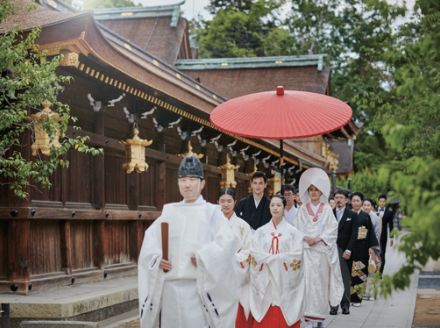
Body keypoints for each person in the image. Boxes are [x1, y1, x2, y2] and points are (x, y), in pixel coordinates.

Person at [138, 155, 240, 328]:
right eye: (183, 180)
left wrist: (204, 256)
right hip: (169, 290)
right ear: (178, 183)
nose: (187, 184)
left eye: (193, 179)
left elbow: (228, 243)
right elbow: (150, 244)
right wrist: (157, 260)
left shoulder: (212, 213)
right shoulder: (169, 212)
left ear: (202, 183)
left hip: (197, 291)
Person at [292, 168, 344, 328]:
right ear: (308, 191)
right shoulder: (301, 209)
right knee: (306, 284)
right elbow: (296, 229)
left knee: (320, 285)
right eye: (311, 190)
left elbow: (332, 229)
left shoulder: (328, 210)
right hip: (306, 252)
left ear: (321, 192)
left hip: (321, 253)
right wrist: (306, 237)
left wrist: (319, 238)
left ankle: (319, 318)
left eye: (316, 190)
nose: (314, 193)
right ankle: (307, 320)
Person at [249, 194, 305, 328]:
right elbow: (254, 254)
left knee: (283, 305)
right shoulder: (260, 232)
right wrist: (273, 260)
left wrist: (274, 260)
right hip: (266, 278)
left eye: (279, 205)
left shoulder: (294, 232)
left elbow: (297, 256)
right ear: (269, 207)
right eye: (272, 205)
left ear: (284, 207)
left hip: (284, 278)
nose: (275, 208)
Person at [218, 188, 253, 328]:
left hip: (235, 272)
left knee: (233, 313)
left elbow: (248, 251)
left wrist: (232, 260)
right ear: (217, 202)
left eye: (229, 201)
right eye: (222, 201)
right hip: (216, 272)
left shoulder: (243, 226)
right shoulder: (212, 224)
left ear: (235, 202)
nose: (225, 204)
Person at [349, 192, 380, 306]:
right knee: (349, 273)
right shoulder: (348, 214)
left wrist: (372, 247)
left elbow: (371, 232)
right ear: (350, 202)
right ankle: (349, 296)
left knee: (360, 272)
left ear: (361, 202)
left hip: (362, 247)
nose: (355, 203)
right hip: (349, 248)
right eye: (353, 200)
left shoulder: (365, 216)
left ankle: (357, 298)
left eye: (358, 200)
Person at [330, 189, 357, 316]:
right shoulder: (329, 213)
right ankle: (333, 305)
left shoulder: (352, 215)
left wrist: (349, 249)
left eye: (341, 197)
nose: (338, 200)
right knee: (332, 278)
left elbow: (354, 234)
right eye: (336, 197)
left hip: (344, 250)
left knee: (344, 278)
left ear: (346, 200)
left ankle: (345, 305)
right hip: (330, 249)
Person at [362, 198, 382, 301]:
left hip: (373, 248)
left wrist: (373, 248)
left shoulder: (376, 218)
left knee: (373, 271)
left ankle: (373, 293)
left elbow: (377, 235)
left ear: (372, 206)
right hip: (361, 247)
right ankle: (364, 292)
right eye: (364, 205)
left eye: (368, 205)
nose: (366, 207)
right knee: (362, 270)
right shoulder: (360, 216)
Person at [377, 194, 394, 274]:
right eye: (381, 201)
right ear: (378, 201)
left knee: (382, 253)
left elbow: (391, 225)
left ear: (386, 202)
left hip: (383, 235)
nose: (382, 203)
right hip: (374, 234)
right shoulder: (374, 210)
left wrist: (391, 238)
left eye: (384, 201)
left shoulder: (389, 212)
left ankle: (380, 272)